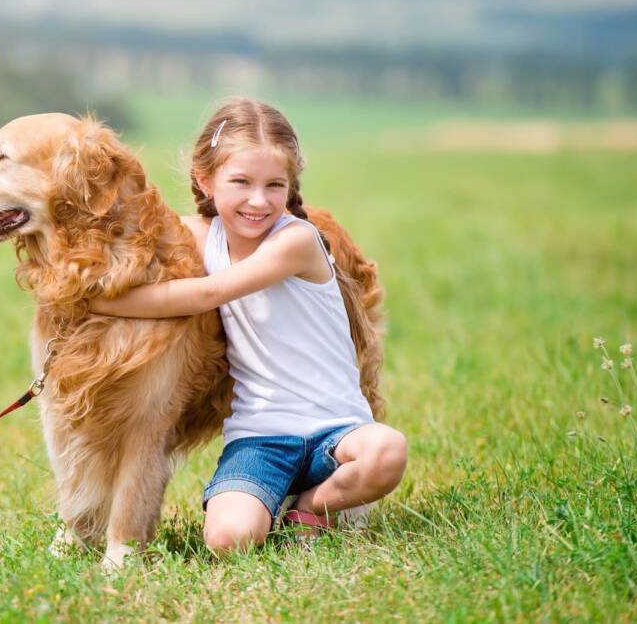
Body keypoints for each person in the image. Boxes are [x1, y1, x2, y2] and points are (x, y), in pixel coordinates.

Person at [90, 97, 407, 554]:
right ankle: (266, 500)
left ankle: (311, 508)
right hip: (260, 437)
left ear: (291, 185)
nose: (259, 201)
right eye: (241, 182)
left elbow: (206, 294)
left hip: (338, 432)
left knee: (388, 451)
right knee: (228, 539)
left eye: (274, 185)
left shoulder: (296, 240)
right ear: (205, 180)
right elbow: (136, 235)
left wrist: (105, 303)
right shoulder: (201, 236)